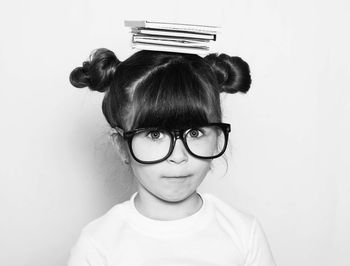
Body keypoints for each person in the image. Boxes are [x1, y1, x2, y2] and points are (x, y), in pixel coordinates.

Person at [67, 48, 276, 266]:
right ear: (121, 145)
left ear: (217, 139)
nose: (178, 156)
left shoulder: (244, 233)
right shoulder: (98, 245)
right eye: (155, 134)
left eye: (195, 133)